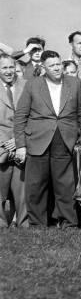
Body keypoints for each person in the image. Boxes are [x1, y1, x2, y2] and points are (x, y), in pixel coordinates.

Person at [13, 50, 81, 227]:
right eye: (52, 66)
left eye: (59, 64)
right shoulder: (33, 85)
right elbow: (20, 116)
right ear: (43, 67)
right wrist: (20, 145)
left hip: (65, 141)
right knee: (36, 187)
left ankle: (68, 224)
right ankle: (37, 225)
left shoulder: (74, 83)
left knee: (65, 186)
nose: (57, 68)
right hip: (37, 141)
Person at [0, 54, 28, 228]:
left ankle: (24, 224)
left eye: (11, 67)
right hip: (1, 145)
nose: (9, 71)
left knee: (23, 190)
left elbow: (33, 116)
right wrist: (5, 141)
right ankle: (1, 224)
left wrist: (18, 140)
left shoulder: (26, 86)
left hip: (21, 145)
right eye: (4, 68)